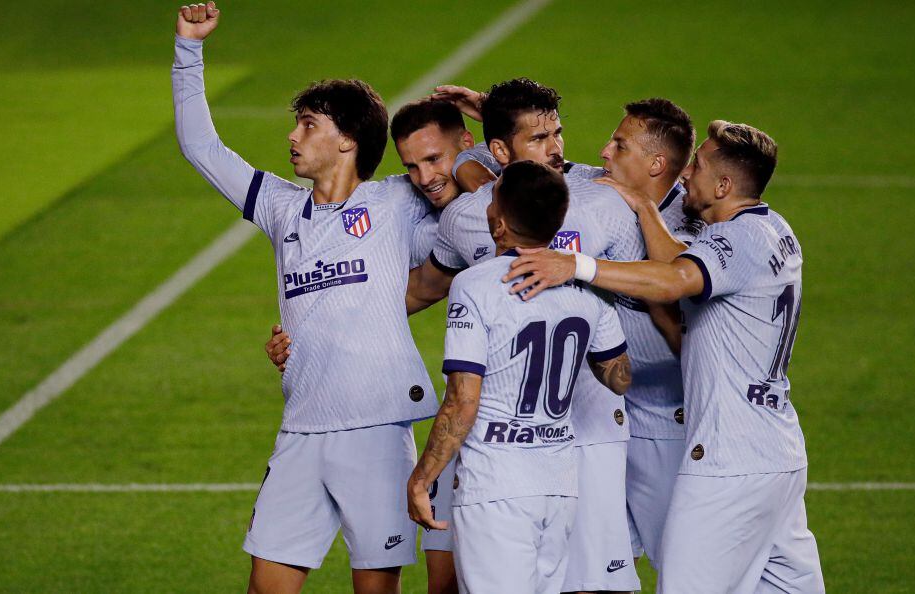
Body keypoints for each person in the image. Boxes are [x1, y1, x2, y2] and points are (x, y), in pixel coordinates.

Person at [173, 4, 437, 593]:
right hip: (301, 429)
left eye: (309, 124)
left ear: (347, 141)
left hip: (377, 425)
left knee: (374, 589)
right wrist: (188, 50)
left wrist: (477, 124)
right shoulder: (282, 206)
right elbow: (201, 147)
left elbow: (475, 190)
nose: (292, 136)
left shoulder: (396, 202)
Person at [503, 120, 825, 593]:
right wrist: (647, 207)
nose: (686, 172)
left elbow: (675, 281)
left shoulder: (736, 242)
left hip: (726, 461)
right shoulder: (770, 229)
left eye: (698, 165)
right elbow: (680, 258)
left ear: (723, 185)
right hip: (777, 454)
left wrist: (577, 265)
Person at [446, 95, 703, 572]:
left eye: (619, 145)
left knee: (688, 571)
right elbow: (474, 163)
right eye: (543, 136)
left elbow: (673, 291)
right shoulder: (573, 188)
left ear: (655, 164)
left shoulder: (661, 213)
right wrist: (496, 111)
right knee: (578, 569)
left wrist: (583, 262)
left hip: (665, 416)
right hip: (586, 421)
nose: (602, 151)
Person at [415, 78, 646, 593]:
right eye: (539, 139)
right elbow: (423, 287)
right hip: (540, 454)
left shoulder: (601, 195)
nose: (557, 148)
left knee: (598, 584)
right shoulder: (466, 215)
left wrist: (583, 266)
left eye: (558, 134)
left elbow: (657, 277)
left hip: (582, 440)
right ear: (500, 150)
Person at [266, 96, 475, 594]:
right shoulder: (425, 216)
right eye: (412, 166)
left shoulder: (491, 215)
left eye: (433, 160)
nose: (423, 177)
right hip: (431, 424)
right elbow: (411, 287)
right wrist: (316, 328)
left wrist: (491, 116)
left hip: (483, 430)